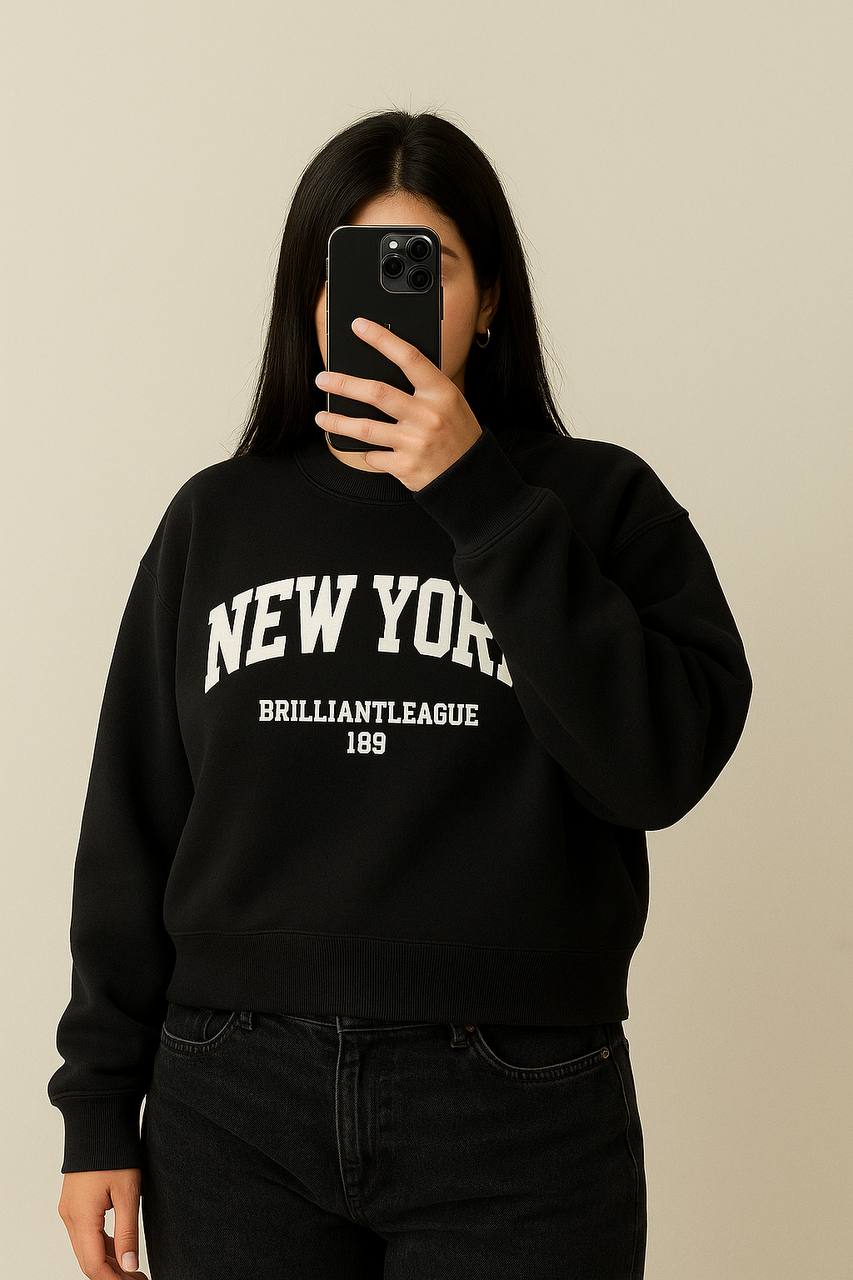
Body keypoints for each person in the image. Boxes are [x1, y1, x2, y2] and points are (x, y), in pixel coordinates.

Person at [49, 109, 753, 1279]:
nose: (379, 308)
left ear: (491, 300)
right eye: (349, 270)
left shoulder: (597, 505)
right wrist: (95, 1110)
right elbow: (131, 821)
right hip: (230, 1097)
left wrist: (477, 494)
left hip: (519, 1106)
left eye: (426, 266)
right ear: (308, 299)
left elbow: (655, 769)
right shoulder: (217, 518)